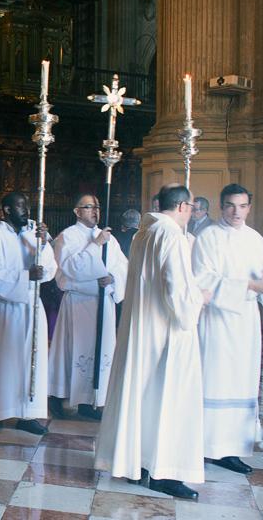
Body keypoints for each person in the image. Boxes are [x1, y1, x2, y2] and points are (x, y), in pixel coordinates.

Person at [95, 184, 211, 500]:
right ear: (185, 207)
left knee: (145, 396)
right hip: (167, 332)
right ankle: (164, 471)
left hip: (141, 329)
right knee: (168, 398)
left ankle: (139, 463)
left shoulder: (142, 233)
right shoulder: (171, 235)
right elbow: (176, 289)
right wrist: (198, 299)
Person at [193, 183, 263, 475]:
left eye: (242, 206)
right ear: (221, 206)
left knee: (242, 380)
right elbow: (203, 279)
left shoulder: (256, 239)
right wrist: (252, 285)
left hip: (246, 323)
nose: (236, 212)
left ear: (249, 207)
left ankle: (232, 449)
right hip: (217, 322)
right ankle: (207, 446)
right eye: (230, 205)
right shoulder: (209, 237)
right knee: (217, 379)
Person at [0, 192, 56, 435]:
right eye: (19, 206)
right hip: (7, 307)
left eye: (27, 205)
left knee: (31, 359)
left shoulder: (33, 235)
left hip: (32, 305)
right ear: (5, 210)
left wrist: (44, 243)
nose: (26, 210)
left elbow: (49, 268)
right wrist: (27, 276)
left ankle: (28, 414)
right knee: (3, 359)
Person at [48, 194, 128, 420]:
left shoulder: (109, 239)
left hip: (104, 303)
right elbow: (71, 269)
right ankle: (57, 396)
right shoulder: (68, 236)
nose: (95, 212)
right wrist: (95, 246)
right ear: (77, 211)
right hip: (78, 303)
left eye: (97, 207)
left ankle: (91, 401)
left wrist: (112, 278)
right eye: (89, 207)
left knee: (101, 352)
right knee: (72, 351)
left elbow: (123, 267)